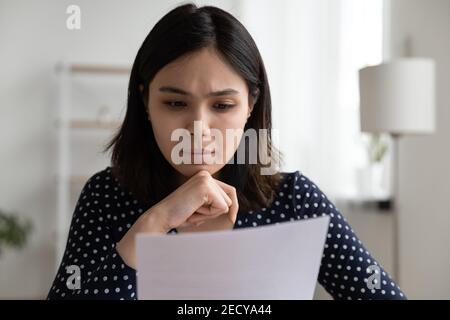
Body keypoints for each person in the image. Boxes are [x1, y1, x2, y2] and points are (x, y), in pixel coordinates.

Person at [47, 3, 406, 300]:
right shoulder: (105, 198)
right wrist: (154, 224)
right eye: (175, 102)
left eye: (221, 106)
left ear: (251, 103)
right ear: (144, 99)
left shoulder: (293, 201)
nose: (198, 129)